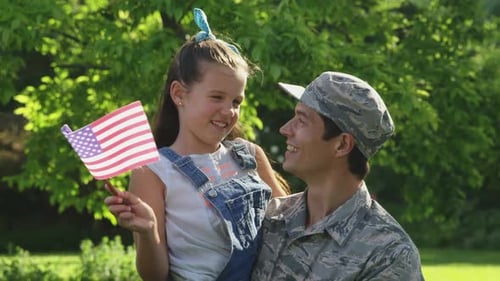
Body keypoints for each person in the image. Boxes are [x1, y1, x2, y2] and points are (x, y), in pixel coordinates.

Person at [104, 8, 288, 281]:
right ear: (179, 94)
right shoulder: (152, 171)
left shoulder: (250, 156)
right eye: (217, 97)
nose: (229, 111)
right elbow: (154, 276)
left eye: (236, 101)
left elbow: (290, 233)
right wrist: (148, 230)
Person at [251, 71, 425, 280]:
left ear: (342, 144)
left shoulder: (389, 255)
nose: (285, 129)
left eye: (302, 120)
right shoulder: (269, 219)